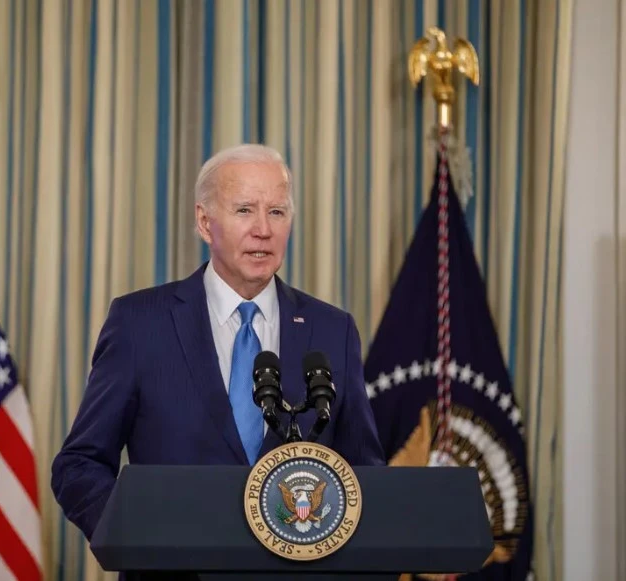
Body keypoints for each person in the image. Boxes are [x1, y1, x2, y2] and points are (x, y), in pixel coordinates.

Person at [51, 144, 385, 542]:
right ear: (205, 222)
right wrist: (136, 536)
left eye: (276, 212)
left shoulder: (333, 330)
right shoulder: (139, 324)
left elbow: (364, 475)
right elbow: (79, 463)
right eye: (244, 210)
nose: (263, 228)